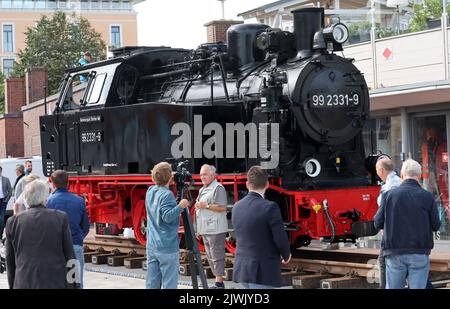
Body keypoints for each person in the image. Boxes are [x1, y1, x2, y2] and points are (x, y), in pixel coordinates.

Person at [374, 159, 441, 289]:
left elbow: (377, 223)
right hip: (419, 252)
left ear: (402, 176)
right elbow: (436, 225)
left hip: (394, 252)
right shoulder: (427, 196)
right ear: (420, 176)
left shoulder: (388, 195)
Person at [5, 180, 76, 288]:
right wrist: (75, 284)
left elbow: (9, 259)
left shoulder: (12, 222)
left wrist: (12, 284)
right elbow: (70, 255)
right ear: (45, 197)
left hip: (24, 282)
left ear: (26, 198)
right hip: (55, 282)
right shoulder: (60, 218)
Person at [232, 166, 291, 289]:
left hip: (242, 269)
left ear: (247, 184)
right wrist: (286, 254)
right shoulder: (270, 207)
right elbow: (280, 237)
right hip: (263, 272)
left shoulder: (236, 207)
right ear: (267, 184)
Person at [145, 162, 189, 289]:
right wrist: (181, 206)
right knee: (169, 283)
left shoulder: (150, 191)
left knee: (152, 282)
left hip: (152, 245)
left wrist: (167, 176)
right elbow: (167, 217)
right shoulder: (167, 195)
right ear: (169, 177)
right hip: (166, 246)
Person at [47, 170, 90, 288]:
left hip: (55, 249)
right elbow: (85, 226)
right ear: (68, 183)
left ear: (53, 184)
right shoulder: (79, 200)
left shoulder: (48, 202)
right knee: (75, 282)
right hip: (75, 245)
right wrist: (78, 237)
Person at [194, 164, 228, 289]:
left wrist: (206, 205)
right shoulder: (203, 189)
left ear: (213, 175)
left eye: (205, 174)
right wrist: (197, 228)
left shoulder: (218, 188)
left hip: (216, 228)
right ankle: (218, 282)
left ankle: (219, 283)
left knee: (217, 255)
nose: (202, 177)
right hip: (206, 228)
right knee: (210, 255)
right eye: (201, 174)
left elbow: (222, 207)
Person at [374, 156, 401, 289]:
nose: (377, 174)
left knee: (384, 260)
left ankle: (384, 287)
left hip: (391, 230)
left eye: (377, 170)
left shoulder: (390, 186)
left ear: (382, 170)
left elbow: (384, 210)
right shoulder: (398, 181)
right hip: (398, 228)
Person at [0, 166, 12, 238]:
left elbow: (10, 191)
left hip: (3, 201)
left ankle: (1, 235)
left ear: (1, 171)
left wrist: (6, 200)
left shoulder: (6, 179)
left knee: (1, 219)